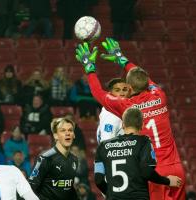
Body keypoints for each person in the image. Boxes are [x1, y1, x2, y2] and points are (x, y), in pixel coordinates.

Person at [75, 38, 185, 199]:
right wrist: (121, 58)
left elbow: (98, 92)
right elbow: (143, 77)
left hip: (156, 171)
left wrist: (89, 67)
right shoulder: (160, 95)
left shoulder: (127, 106)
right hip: (176, 168)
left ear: (130, 88)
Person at [94, 107, 182, 199]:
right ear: (142, 125)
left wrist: (110, 194)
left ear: (123, 125)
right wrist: (167, 181)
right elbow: (147, 172)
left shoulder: (103, 146)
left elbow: (98, 180)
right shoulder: (144, 142)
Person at [29, 117, 79, 200]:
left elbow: (69, 189)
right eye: (63, 130)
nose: (67, 133)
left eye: (70, 130)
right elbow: (31, 186)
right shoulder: (45, 158)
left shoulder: (74, 160)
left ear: (74, 135)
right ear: (55, 135)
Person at [97, 78, 130, 143]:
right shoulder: (110, 116)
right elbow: (106, 145)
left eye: (124, 90)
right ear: (110, 94)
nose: (122, 93)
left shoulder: (121, 110)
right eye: (117, 90)